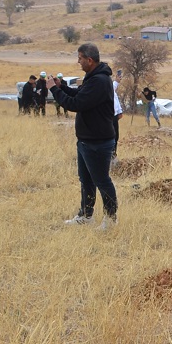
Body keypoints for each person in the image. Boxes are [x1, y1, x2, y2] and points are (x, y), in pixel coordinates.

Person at [49, 44, 118, 229]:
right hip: (86, 140)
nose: (77, 62)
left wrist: (54, 91)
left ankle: (111, 219)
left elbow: (76, 104)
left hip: (98, 141)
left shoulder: (100, 81)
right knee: (86, 180)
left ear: (89, 60)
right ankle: (86, 215)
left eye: (80, 58)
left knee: (102, 180)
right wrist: (61, 86)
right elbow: (80, 94)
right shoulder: (93, 77)